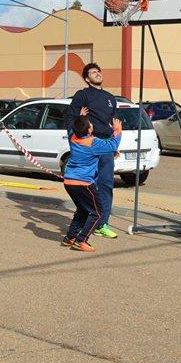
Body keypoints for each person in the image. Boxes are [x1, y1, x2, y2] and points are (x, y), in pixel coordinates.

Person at [64, 62, 119, 239]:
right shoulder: (82, 95)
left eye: (99, 71)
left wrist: (114, 147)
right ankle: (86, 222)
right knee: (87, 185)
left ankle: (102, 224)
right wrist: (78, 140)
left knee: (106, 185)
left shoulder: (111, 97)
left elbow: (112, 125)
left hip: (104, 146)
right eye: (93, 72)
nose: (98, 73)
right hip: (89, 145)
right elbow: (70, 120)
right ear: (87, 78)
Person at [62, 115, 122, 252]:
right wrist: (117, 131)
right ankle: (81, 240)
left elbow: (72, 125)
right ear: (89, 130)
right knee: (98, 212)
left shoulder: (72, 137)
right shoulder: (93, 143)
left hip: (69, 182)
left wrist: (81, 117)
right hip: (83, 184)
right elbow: (112, 144)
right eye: (90, 124)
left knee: (83, 209)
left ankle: (70, 237)